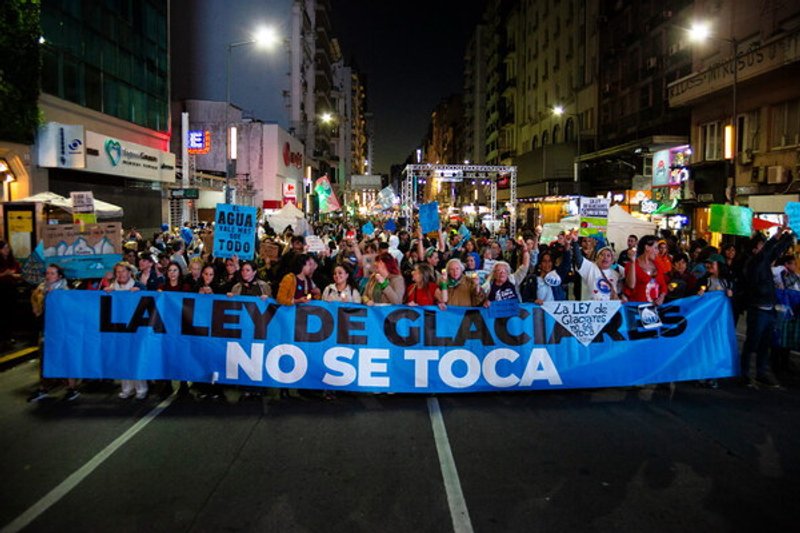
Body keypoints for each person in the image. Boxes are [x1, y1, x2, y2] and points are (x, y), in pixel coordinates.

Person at [742, 229, 795, 389]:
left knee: (765, 344)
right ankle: (745, 374)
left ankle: (762, 373)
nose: (764, 248)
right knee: (752, 343)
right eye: (761, 246)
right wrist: (776, 237)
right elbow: (767, 251)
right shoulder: (752, 264)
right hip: (757, 308)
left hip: (769, 308)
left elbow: (777, 251)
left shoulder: (764, 262)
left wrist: (790, 235)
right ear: (754, 250)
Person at [28, 264, 78, 402]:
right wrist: (43, 297)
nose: (49, 276)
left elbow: (70, 311)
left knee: (66, 358)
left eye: (52, 273)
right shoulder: (40, 290)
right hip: (46, 330)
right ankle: (44, 388)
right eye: (48, 273)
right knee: (45, 359)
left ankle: (71, 388)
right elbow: (36, 311)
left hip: (63, 331)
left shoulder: (65, 291)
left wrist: (56, 297)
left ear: (59, 276)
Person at [106, 262, 148, 400]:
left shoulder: (138, 286)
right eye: (117, 272)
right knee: (123, 358)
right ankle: (127, 388)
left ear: (129, 272)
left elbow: (150, 301)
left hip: (136, 328)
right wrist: (106, 294)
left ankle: (141, 388)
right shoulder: (112, 288)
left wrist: (141, 293)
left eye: (123, 271)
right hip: (119, 329)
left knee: (135, 357)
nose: (120, 274)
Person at [624, 235, 667, 305]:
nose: (658, 251)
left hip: (654, 310)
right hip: (637, 309)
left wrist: (662, 297)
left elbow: (663, 286)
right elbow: (631, 285)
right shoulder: (631, 265)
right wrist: (632, 261)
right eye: (656, 248)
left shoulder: (657, 265)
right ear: (647, 247)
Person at [0, 240, 21, 348]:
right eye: (4, 248)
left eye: (8, 248)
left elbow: (18, 272)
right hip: (1, 291)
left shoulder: (12, 261)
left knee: (10, 313)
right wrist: (5, 273)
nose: (6, 250)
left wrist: (16, 275)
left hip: (11, 290)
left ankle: (9, 336)